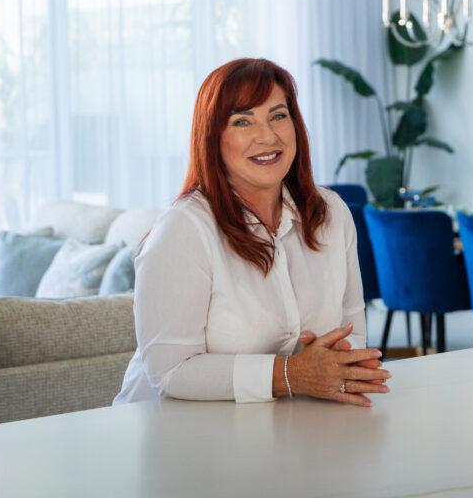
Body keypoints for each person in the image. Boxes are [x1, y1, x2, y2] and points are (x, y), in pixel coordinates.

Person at [115, 58, 390, 407]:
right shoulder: (183, 230)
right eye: (242, 121)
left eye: (278, 115)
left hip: (289, 429)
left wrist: (337, 366)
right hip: (176, 439)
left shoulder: (332, 212)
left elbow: (352, 337)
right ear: (213, 139)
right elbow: (170, 373)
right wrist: (290, 374)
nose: (268, 136)